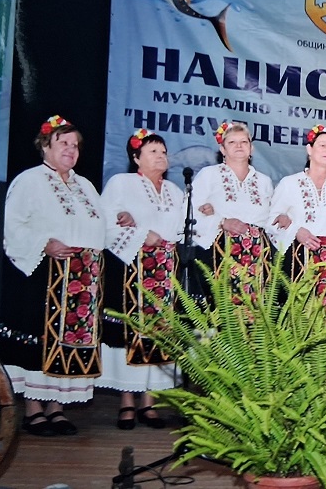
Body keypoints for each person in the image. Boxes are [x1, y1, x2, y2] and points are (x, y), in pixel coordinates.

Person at [0, 115, 106, 436]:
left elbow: (101, 227)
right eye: (63, 143)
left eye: (75, 145)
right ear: (46, 146)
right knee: (41, 340)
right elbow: (13, 225)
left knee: (68, 344)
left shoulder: (85, 185)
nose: (71, 150)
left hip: (81, 279)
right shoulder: (29, 180)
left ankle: (57, 408)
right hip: (43, 274)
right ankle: (34, 410)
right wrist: (45, 243)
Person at [99, 129, 183, 429]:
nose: (161, 156)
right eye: (153, 152)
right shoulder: (121, 183)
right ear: (136, 158)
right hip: (131, 270)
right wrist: (136, 231)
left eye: (163, 152)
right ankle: (127, 402)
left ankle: (149, 403)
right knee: (130, 332)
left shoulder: (175, 191)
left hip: (165, 272)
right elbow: (104, 221)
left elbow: (186, 227)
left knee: (159, 334)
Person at [269, 125, 326, 316]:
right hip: (298, 259)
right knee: (299, 315)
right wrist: (295, 230)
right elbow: (271, 221)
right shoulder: (290, 183)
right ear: (309, 149)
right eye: (323, 145)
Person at [191, 121, 273, 292]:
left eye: (244, 142)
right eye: (232, 142)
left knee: (255, 304)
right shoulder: (209, 175)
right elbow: (190, 212)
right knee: (222, 304)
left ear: (251, 148)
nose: (239, 146)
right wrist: (221, 222)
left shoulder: (264, 181)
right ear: (222, 149)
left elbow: (271, 219)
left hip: (257, 255)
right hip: (219, 252)